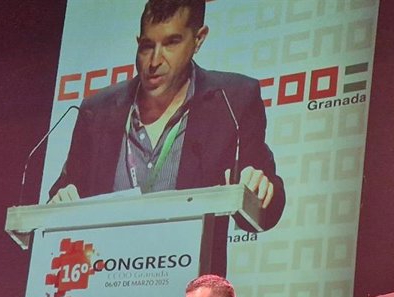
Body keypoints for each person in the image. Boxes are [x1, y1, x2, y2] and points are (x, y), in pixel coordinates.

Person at [48, 0, 286, 232]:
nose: (154, 61)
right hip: (102, 257)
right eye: (147, 46)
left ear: (198, 39)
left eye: (171, 43)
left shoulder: (232, 101)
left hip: (189, 259)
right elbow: (63, 193)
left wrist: (259, 190)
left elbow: (265, 212)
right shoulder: (99, 111)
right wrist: (60, 202)